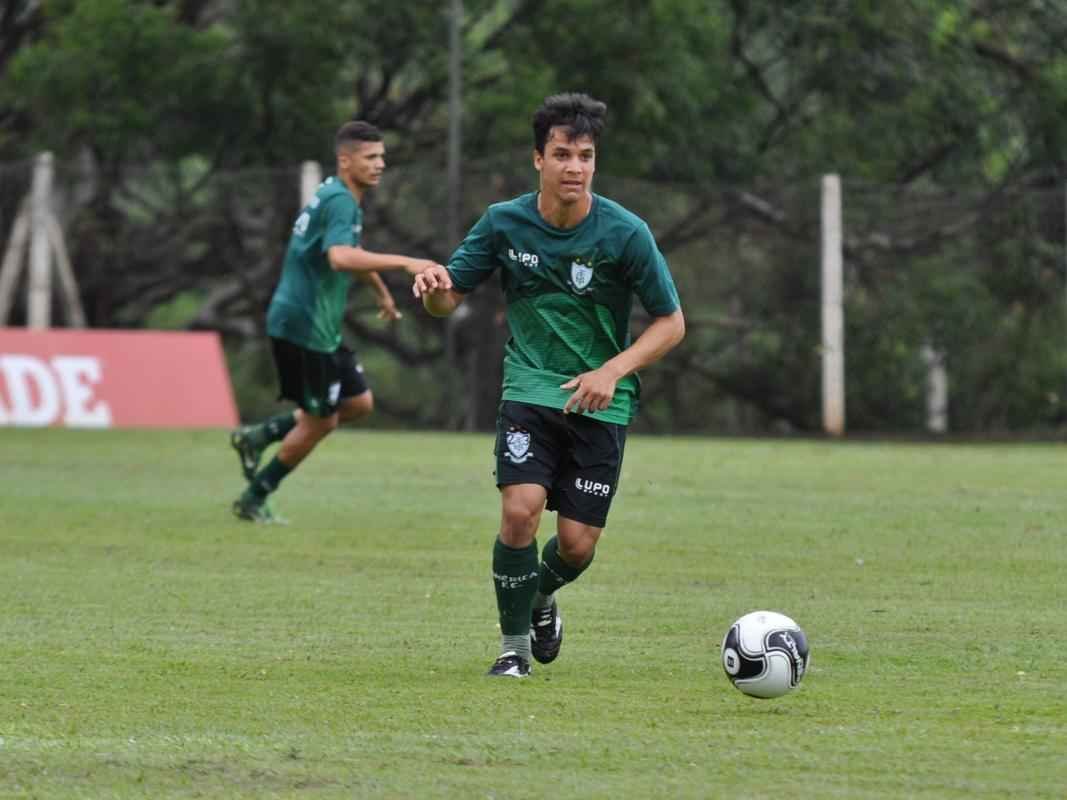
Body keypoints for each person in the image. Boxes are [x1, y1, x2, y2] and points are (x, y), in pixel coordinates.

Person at [413, 93, 685, 677]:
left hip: (602, 403)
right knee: (520, 512)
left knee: (577, 545)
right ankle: (512, 651)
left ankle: (540, 596)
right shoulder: (503, 222)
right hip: (531, 389)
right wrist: (435, 286)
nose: (575, 167)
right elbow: (447, 299)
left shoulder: (626, 233)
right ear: (538, 159)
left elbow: (672, 322)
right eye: (562, 154)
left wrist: (612, 370)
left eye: (585, 156)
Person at [231, 120, 441, 523]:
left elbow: (349, 250)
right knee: (321, 421)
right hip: (304, 327)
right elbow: (340, 257)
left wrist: (378, 289)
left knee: (358, 403)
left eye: (382, 156)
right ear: (345, 160)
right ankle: (255, 496)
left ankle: (259, 436)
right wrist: (404, 262)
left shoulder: (337, 193)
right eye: (370, 157)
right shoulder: (342, 201)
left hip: (318, 326)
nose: (380, 164)